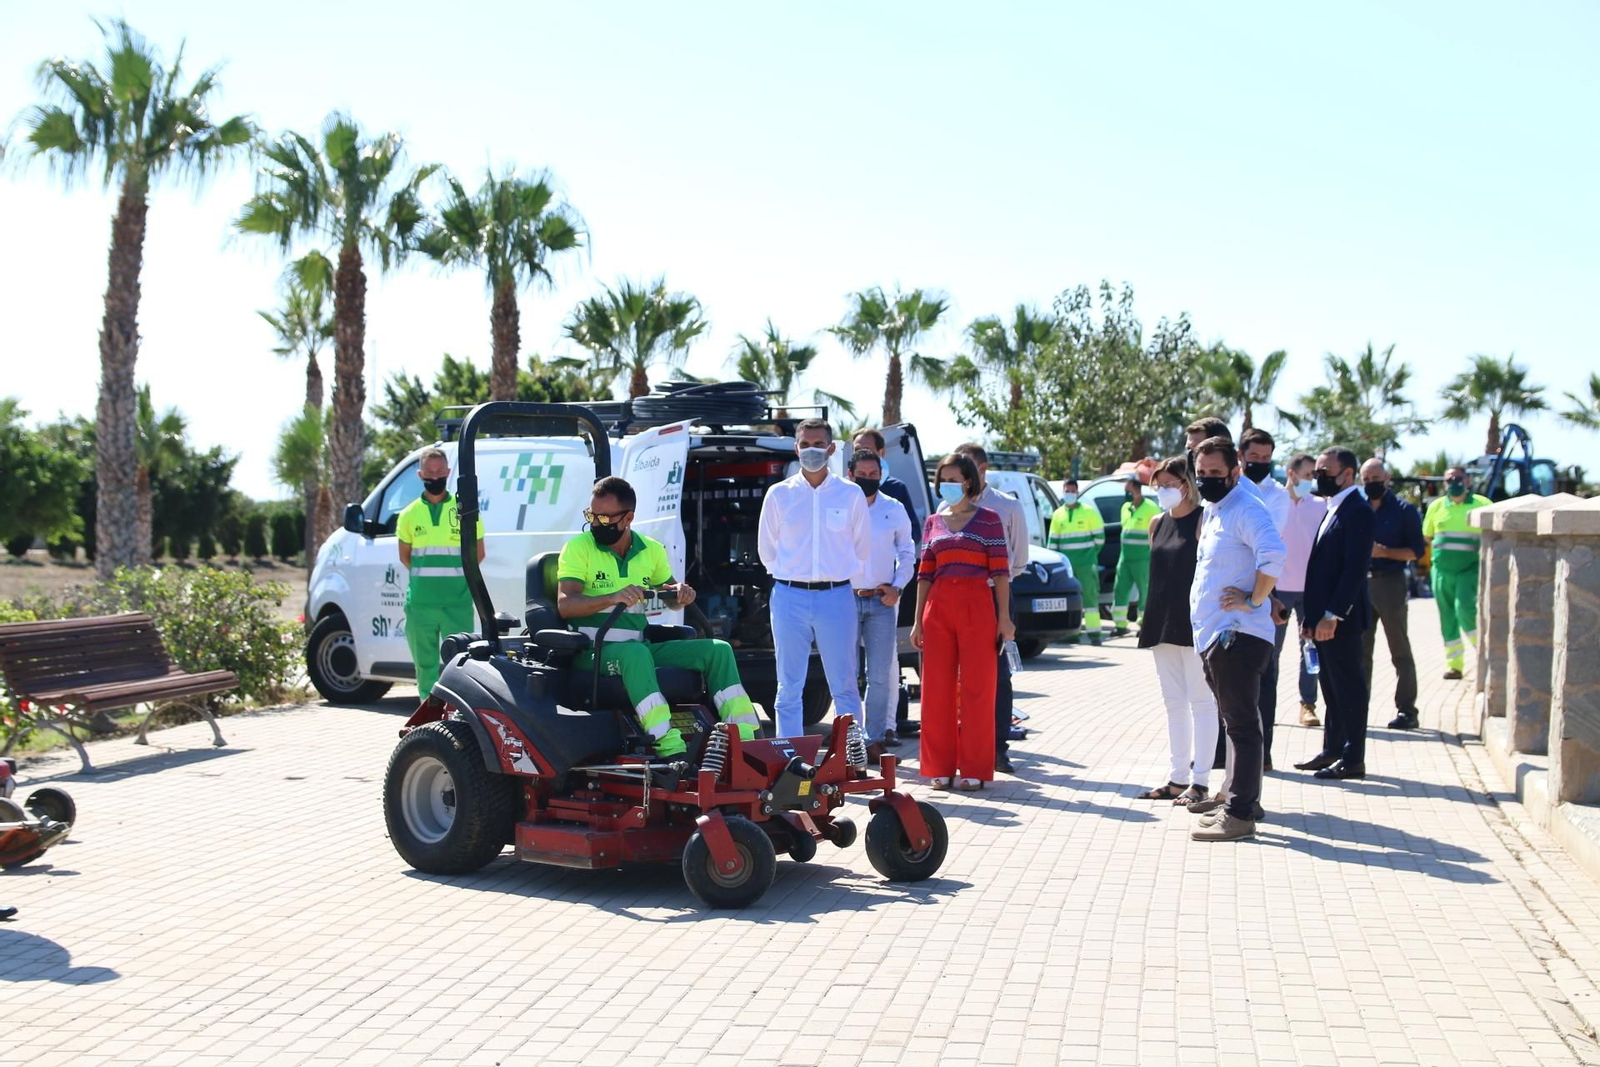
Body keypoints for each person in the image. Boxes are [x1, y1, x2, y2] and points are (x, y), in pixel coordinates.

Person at [557, 477, 761, 756]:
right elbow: (566, 605)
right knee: (635, 655)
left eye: (604, 518)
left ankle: (745, 740)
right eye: (591, 516)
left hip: (641, 647)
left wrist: (680, 594)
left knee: (718, 650)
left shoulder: (651, 550)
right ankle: (666, 742)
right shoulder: (579, 548)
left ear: (628, 517)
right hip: (594, 651)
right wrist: (612, 597)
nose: (595, 524)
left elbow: (669, 594)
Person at [1187, 437, 1285, 841]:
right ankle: (1242, 801)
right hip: (1217, 635)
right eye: (1202, 473)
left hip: (1238, 636)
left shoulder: (1246, 508)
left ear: (1235, 473)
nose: (1207, 480)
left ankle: (1241, 814)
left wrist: (1254, 599)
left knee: (1242, 726)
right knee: (1237, 723)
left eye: (1215, 473)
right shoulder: (1215, 510)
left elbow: (1274, 555)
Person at [758, 419, 872, 739]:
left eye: (819, 444)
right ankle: (789, 762)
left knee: (844, 684)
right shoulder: (778, 495)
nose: (812, 450)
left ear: (832, 448)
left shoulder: (850, 494)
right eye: (805, 444)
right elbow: (766, 550)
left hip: (836, 598)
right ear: (796, 448)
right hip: (789, 596)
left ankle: (852, 758)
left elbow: (862, 548)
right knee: (788, 686)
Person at [912, 453, 1013, 790]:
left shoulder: (989, 520)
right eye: (943, 480)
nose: (948, 486)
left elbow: (1000, 573)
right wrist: (917, 622)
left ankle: (975, 768)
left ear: (969, 481)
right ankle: (939, 767)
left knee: (978, 689)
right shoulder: (932, 522)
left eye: (955, 480)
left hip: (977, 606)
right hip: (938, 607)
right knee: (936, 689)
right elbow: (924, 575)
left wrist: (1005, 619)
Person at [1135, 457, 1219, 807]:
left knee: (1202, 702)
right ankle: (1177, 778)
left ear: (1186, 485)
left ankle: (1200, 782)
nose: (1162, 491)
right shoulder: (1156, 523)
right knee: (1173, 704)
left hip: (1194, 621)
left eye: (1169, 484)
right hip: (1160, 619)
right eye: (1158, 485)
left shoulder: (1204, 520)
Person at [1293, 447, 1375, 780]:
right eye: (1317, 472)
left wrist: (1332, 615)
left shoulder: (1358, 510)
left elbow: (1354, 571)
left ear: (1347, 475)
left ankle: (1353, 757)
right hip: (1322, 619)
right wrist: (1311, 618)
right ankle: (1332, 749)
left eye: (1326, 471)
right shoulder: (1333, 507)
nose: (1318, 477)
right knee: (1330, 687)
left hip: (1340, 620)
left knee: (1349, 688)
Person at [952, 442, 1030, 775]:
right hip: (956, 598)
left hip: (994, 596)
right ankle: (962, 746)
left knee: (998, 675)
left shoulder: (1007, 507)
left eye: (966, 469)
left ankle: (998, 748)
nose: (961, 478)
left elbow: (1019, 558)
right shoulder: (948, 506)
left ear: (981, 470)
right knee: (958, 676)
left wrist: (997, 589)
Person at [396, 447, 486, 699]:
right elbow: (405, 557)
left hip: (457, 603)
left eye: (439, 472)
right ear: (420, 474)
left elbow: (478, 553)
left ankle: (456, 714)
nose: (434, 477)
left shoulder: (464, 511)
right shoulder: (408, 515)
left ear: (448, 472)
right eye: (429, 472)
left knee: (459, 664)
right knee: (424, 666)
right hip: (421, 605)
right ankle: (427, 710)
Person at [845, 449, 915, 762]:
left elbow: (908, 551)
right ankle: (849, 742)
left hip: (881, 602)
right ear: (850, 474)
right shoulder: (839, 506)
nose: (869, 480)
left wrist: (897, 587)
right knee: (846, 675)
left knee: (880, 676)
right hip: (842, 601)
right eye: (863, 474)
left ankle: (873, 741)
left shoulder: (894, 508)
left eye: (874, 475)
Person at [1239, 428, 1290, 769]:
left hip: (1265, 588)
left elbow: (1266, 542)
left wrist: (1262, 597)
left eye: (1266, 459)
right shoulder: (1228, 488)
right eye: (1254, 458)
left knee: (1265, 670)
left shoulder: (1278, 495)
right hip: (1228, 590)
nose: (1260, 464)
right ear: (1241, 456)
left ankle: (1264, 751)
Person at [1360, 459, 1425, 730]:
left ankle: (1407, 710)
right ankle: (1358, 708)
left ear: (1387, 478)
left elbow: (1416, 551)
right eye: (1367, 479)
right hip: (1361, 585)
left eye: (1376, 477)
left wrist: (1385, 551)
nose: (1372, 483)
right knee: (1360, 652)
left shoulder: (1404, 510)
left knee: (1399, 650)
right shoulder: (1358, 508)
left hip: (1391, 583)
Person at [1422, 467, 1491, 680]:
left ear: (1468, 481)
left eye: (1458, 478)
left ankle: (1485, 657)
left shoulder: (1483, 505)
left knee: (1465, 610)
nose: (1453, 482)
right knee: (1447, 618)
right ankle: (1455, 666)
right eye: (1449, 479)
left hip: (1469, 570)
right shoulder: (1436, 506)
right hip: (1441, 571)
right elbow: (1428, 535)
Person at [1277, 453, 1327, 727]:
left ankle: (1307, 705)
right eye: (1309, 475)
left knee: (1311, 650)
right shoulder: (1274, 502)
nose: (1312, 480)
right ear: (1292, 474)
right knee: (1270, 652)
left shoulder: (1320, 505)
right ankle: (1266, 706)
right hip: (1277, 590)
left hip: (1311, 591)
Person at [1047, 478, 1105, 643]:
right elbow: (1053, 542)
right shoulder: (1058, 514)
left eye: (1072, 491)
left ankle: (1095, 634)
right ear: (1063, 492)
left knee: (1090, 598)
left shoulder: (1089, 511)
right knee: (1071, 598)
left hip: (1086, 564)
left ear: (1077, 492)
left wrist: (1089, 555)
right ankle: (1073, 633)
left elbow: (1100, 538)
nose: (1070, 494)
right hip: (1067, 566)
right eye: (1067, 491)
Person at [1111, 475, 1160, 637]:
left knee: (1144, 592)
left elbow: (1157, 532)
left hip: (1143, 557)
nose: (1126, 494)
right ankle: (1120, 625)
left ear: (1137, 490)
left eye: (1128, 490)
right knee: (1120, 590)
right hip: (1125, 558)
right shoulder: (1125, 508)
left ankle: (1144, 625)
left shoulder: (1151, 508)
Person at [851, 428, 919, 521]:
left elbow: (912, 532)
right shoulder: (843, 488)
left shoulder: (896, 489)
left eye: (867, 450)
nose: (862, 454)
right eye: (857, 450)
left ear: (882, 453)